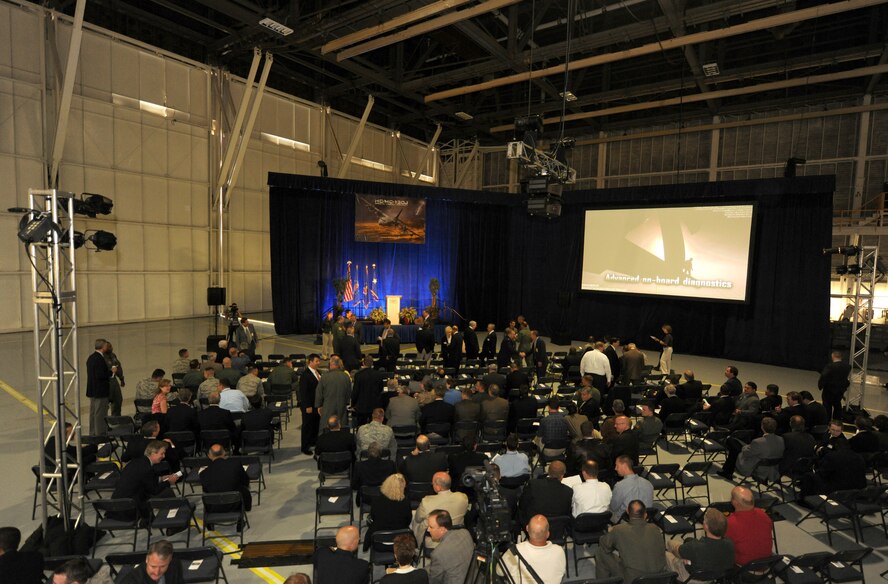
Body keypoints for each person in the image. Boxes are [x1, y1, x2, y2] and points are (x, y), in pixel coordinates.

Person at [596, 500, 667, 582]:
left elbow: (605, 545)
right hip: (660, 578)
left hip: (633, 579)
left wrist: (610, 532)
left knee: (600, 552)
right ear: (645, 515)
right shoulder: (655, 528)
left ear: (627, 512)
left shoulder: (619, 529)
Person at [111, 440, 179, 521]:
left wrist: (162, 478)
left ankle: (149, 520)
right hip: (129, 509)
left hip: (116, 506)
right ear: (153, 453)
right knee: (167, 492)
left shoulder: (138, 462)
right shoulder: (146, 468)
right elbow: (154, 490)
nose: (164, 456)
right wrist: (169, 482)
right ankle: (174, 522)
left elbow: (145, 480)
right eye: (162, 453)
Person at [666, 507, 735, 581]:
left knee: (666, 552)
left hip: (691, 577)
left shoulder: (695, 547)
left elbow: (677, 552)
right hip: (716, 576)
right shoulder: (730, 544)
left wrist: (687, 561)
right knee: (675, 545)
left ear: (706, 526)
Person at [500, 515, 567, 584]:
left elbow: (499, 571)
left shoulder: (514, 551)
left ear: (527, 528)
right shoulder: (559, 551)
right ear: (548, 534)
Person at [717, 416, 784, 481]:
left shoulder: (758, 442)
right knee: (735, 444)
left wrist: (746, 446)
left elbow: (746, 453)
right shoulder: (781, 439)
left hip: (756, 468)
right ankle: (727, 471)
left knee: (734, 450)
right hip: (772, 468)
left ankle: (727, 472)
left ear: (762, 427)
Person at [411, 472, 469, 543]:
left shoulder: (427, 501)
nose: (432, 485)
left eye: (433, 484)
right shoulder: (463, 498)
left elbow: (417, 519)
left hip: (432, 542)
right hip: (456, 537)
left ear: (438, 487)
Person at [725, 486, 773, 566]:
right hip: (766, 563)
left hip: (744, 567)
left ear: (735, 502)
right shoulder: (763, 515)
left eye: (732, 497)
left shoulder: (730, 522)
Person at [365, 473, 412, 551]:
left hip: (379, 542)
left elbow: (373, 517)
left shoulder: (376, 501)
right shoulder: (406, 503)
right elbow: (408, 521)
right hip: (400, 543)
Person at [427, 510, 474, 584]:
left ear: (442, 530)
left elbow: (433, 581)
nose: (428, 529)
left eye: (431, 527)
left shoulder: (438, 554)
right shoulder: (465, 532)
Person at [200, 443, 251, 511]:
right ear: (224, 452)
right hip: (236, 505)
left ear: (209, 456)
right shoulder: (235, 465)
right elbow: (246, 481)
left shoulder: (203, 474)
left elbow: (206, 491)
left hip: (214, 508)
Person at [609, 455, 653, 523]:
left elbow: (613, 508)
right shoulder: (649, 484)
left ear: (624, 465)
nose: (615, 468)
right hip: (644, 520)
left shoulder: (620, 486)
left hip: (625, 521)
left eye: (617, 466)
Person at [117, 540, 183, 584]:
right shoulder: (131, 581)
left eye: (163, 566)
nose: (157, 572)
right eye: (153, 566)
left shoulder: (175, 564)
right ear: (146, 559)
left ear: (170, 560)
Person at [86, 338, 115, 435]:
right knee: (100, 413)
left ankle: (93, 432)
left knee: (93, 413)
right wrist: (111, 372)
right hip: (100, 391)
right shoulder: (99, 359)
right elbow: (100, 375)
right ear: (103, 347)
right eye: (106, 346)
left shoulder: (91, 358)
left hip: (92, 390)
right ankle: (100, 433)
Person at [315, 356, 352, 423]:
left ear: (331, 364)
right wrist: (346, 402)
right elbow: (349, 392)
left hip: (327, 407)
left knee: (327, 426)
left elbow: (319, 392)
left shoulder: (325, 377)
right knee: (341, 426)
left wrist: (319, 405)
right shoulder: (346, 376)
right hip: (342, 406)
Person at [299, 354, 322, 455]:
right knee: (307, 426)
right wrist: (307, 406)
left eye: (319, 361)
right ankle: (305, 447)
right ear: (310, 362)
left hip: (316, 405)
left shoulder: (318, 372)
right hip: (309, 405)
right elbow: (303, 392)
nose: (318, 363)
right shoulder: (305, 375)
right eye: (317, 361)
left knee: (315, 424)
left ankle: (313, 441)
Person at [352, 356, 385, 426]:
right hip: (374, 406)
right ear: (372, 363)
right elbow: (380, 388)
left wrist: (353, 404)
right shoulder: (378, 374)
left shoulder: (358, 375)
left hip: (361, 406)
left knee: (361, 426)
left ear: (363, 363)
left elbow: (355, 391)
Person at [819, 351, 851, 421]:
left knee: (827, 405)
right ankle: (837, 420)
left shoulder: (830, 366)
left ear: (833, 357)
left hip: (829, 390)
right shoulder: (848, 367)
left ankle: (827, 420)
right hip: (840, 390)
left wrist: (820, 385)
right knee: (837, 405)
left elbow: (824, 376)